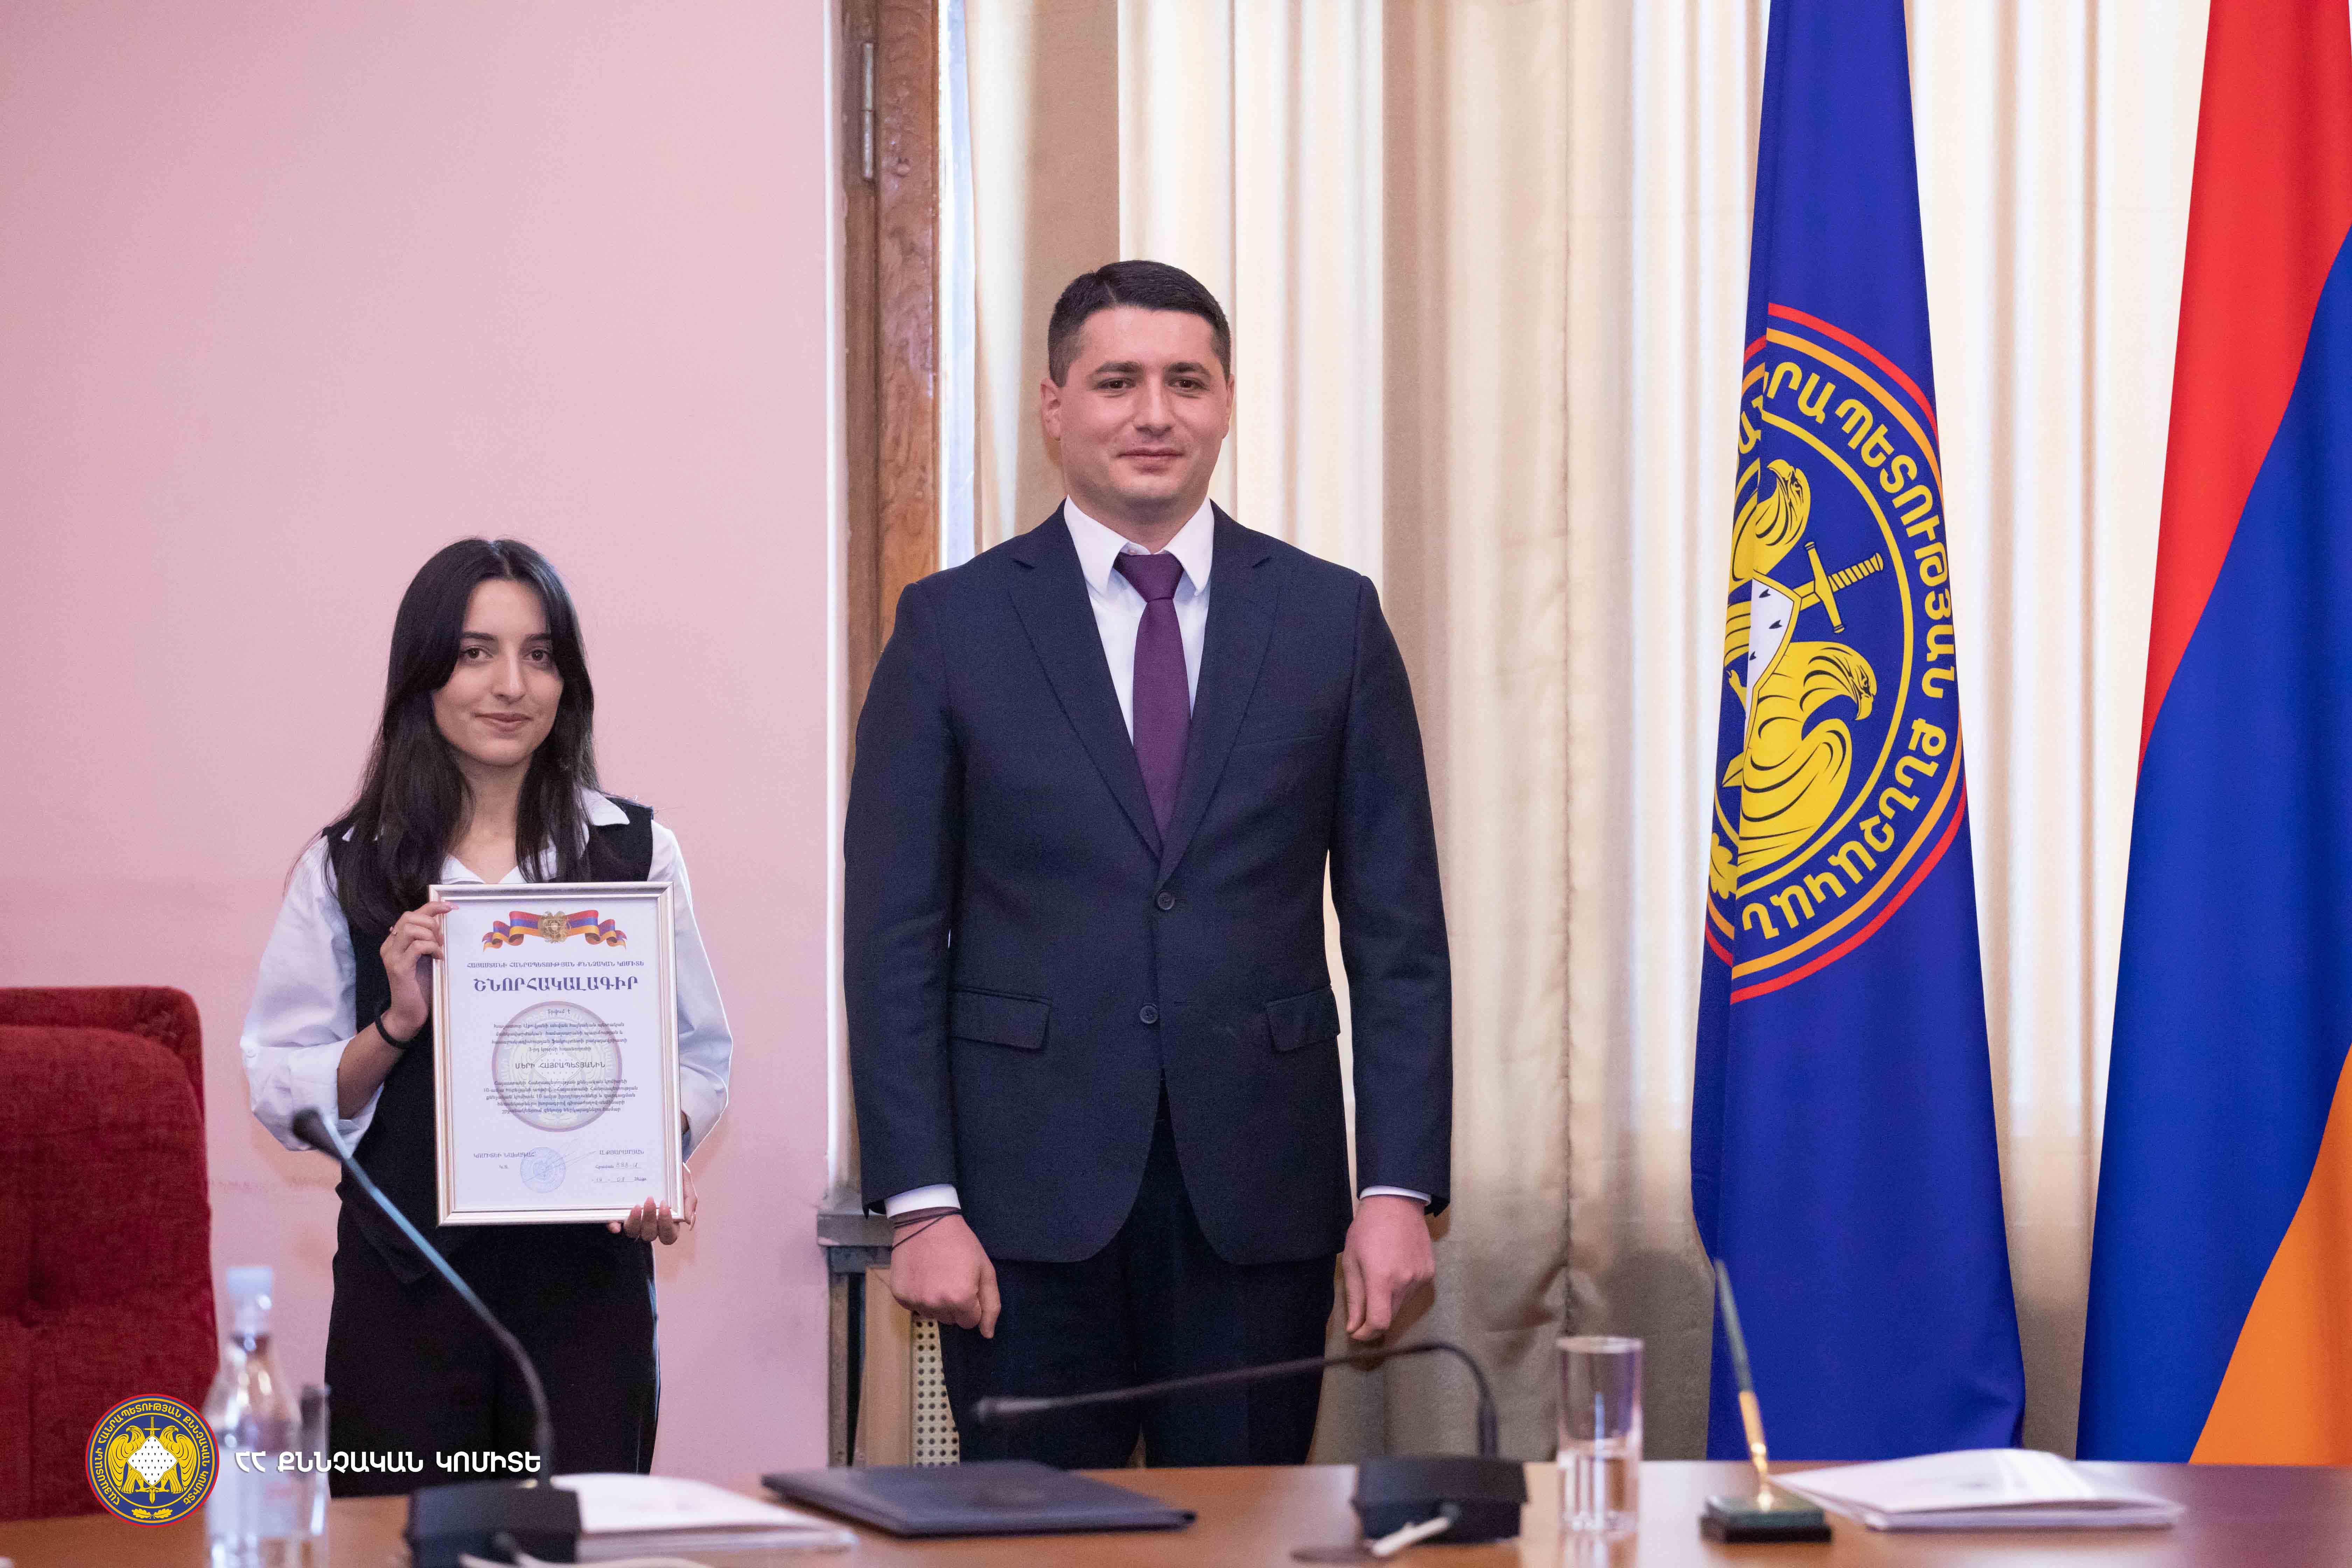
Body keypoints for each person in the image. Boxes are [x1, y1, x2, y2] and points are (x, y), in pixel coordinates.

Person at [846, 259, 1451, 1467]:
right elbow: (893, 938)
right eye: (1117, 381)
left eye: (1187, 381)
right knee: (1033, 1546)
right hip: (1019, 1211)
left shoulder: (1331, 619)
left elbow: (1399, 937)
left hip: (1259, 1205)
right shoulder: (951, 627)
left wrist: (1396, 1189)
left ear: (1226, 403)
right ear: (1054, 405)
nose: (1154, 413)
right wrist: (920, 1203)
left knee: (1242, 1539)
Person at [240, 538, 732, 1493]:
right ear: (424, 673)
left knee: (581, 1544)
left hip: (588, 1300)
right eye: (476, 654)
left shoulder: (635, 854)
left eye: (540, 655)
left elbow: (698, 1059)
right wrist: (395, 1026)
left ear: (567, 681)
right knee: (400, 1543)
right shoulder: (349, 864)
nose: (511, 685)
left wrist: (651, 1154)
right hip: (405, 1298)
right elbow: (284, 1093)